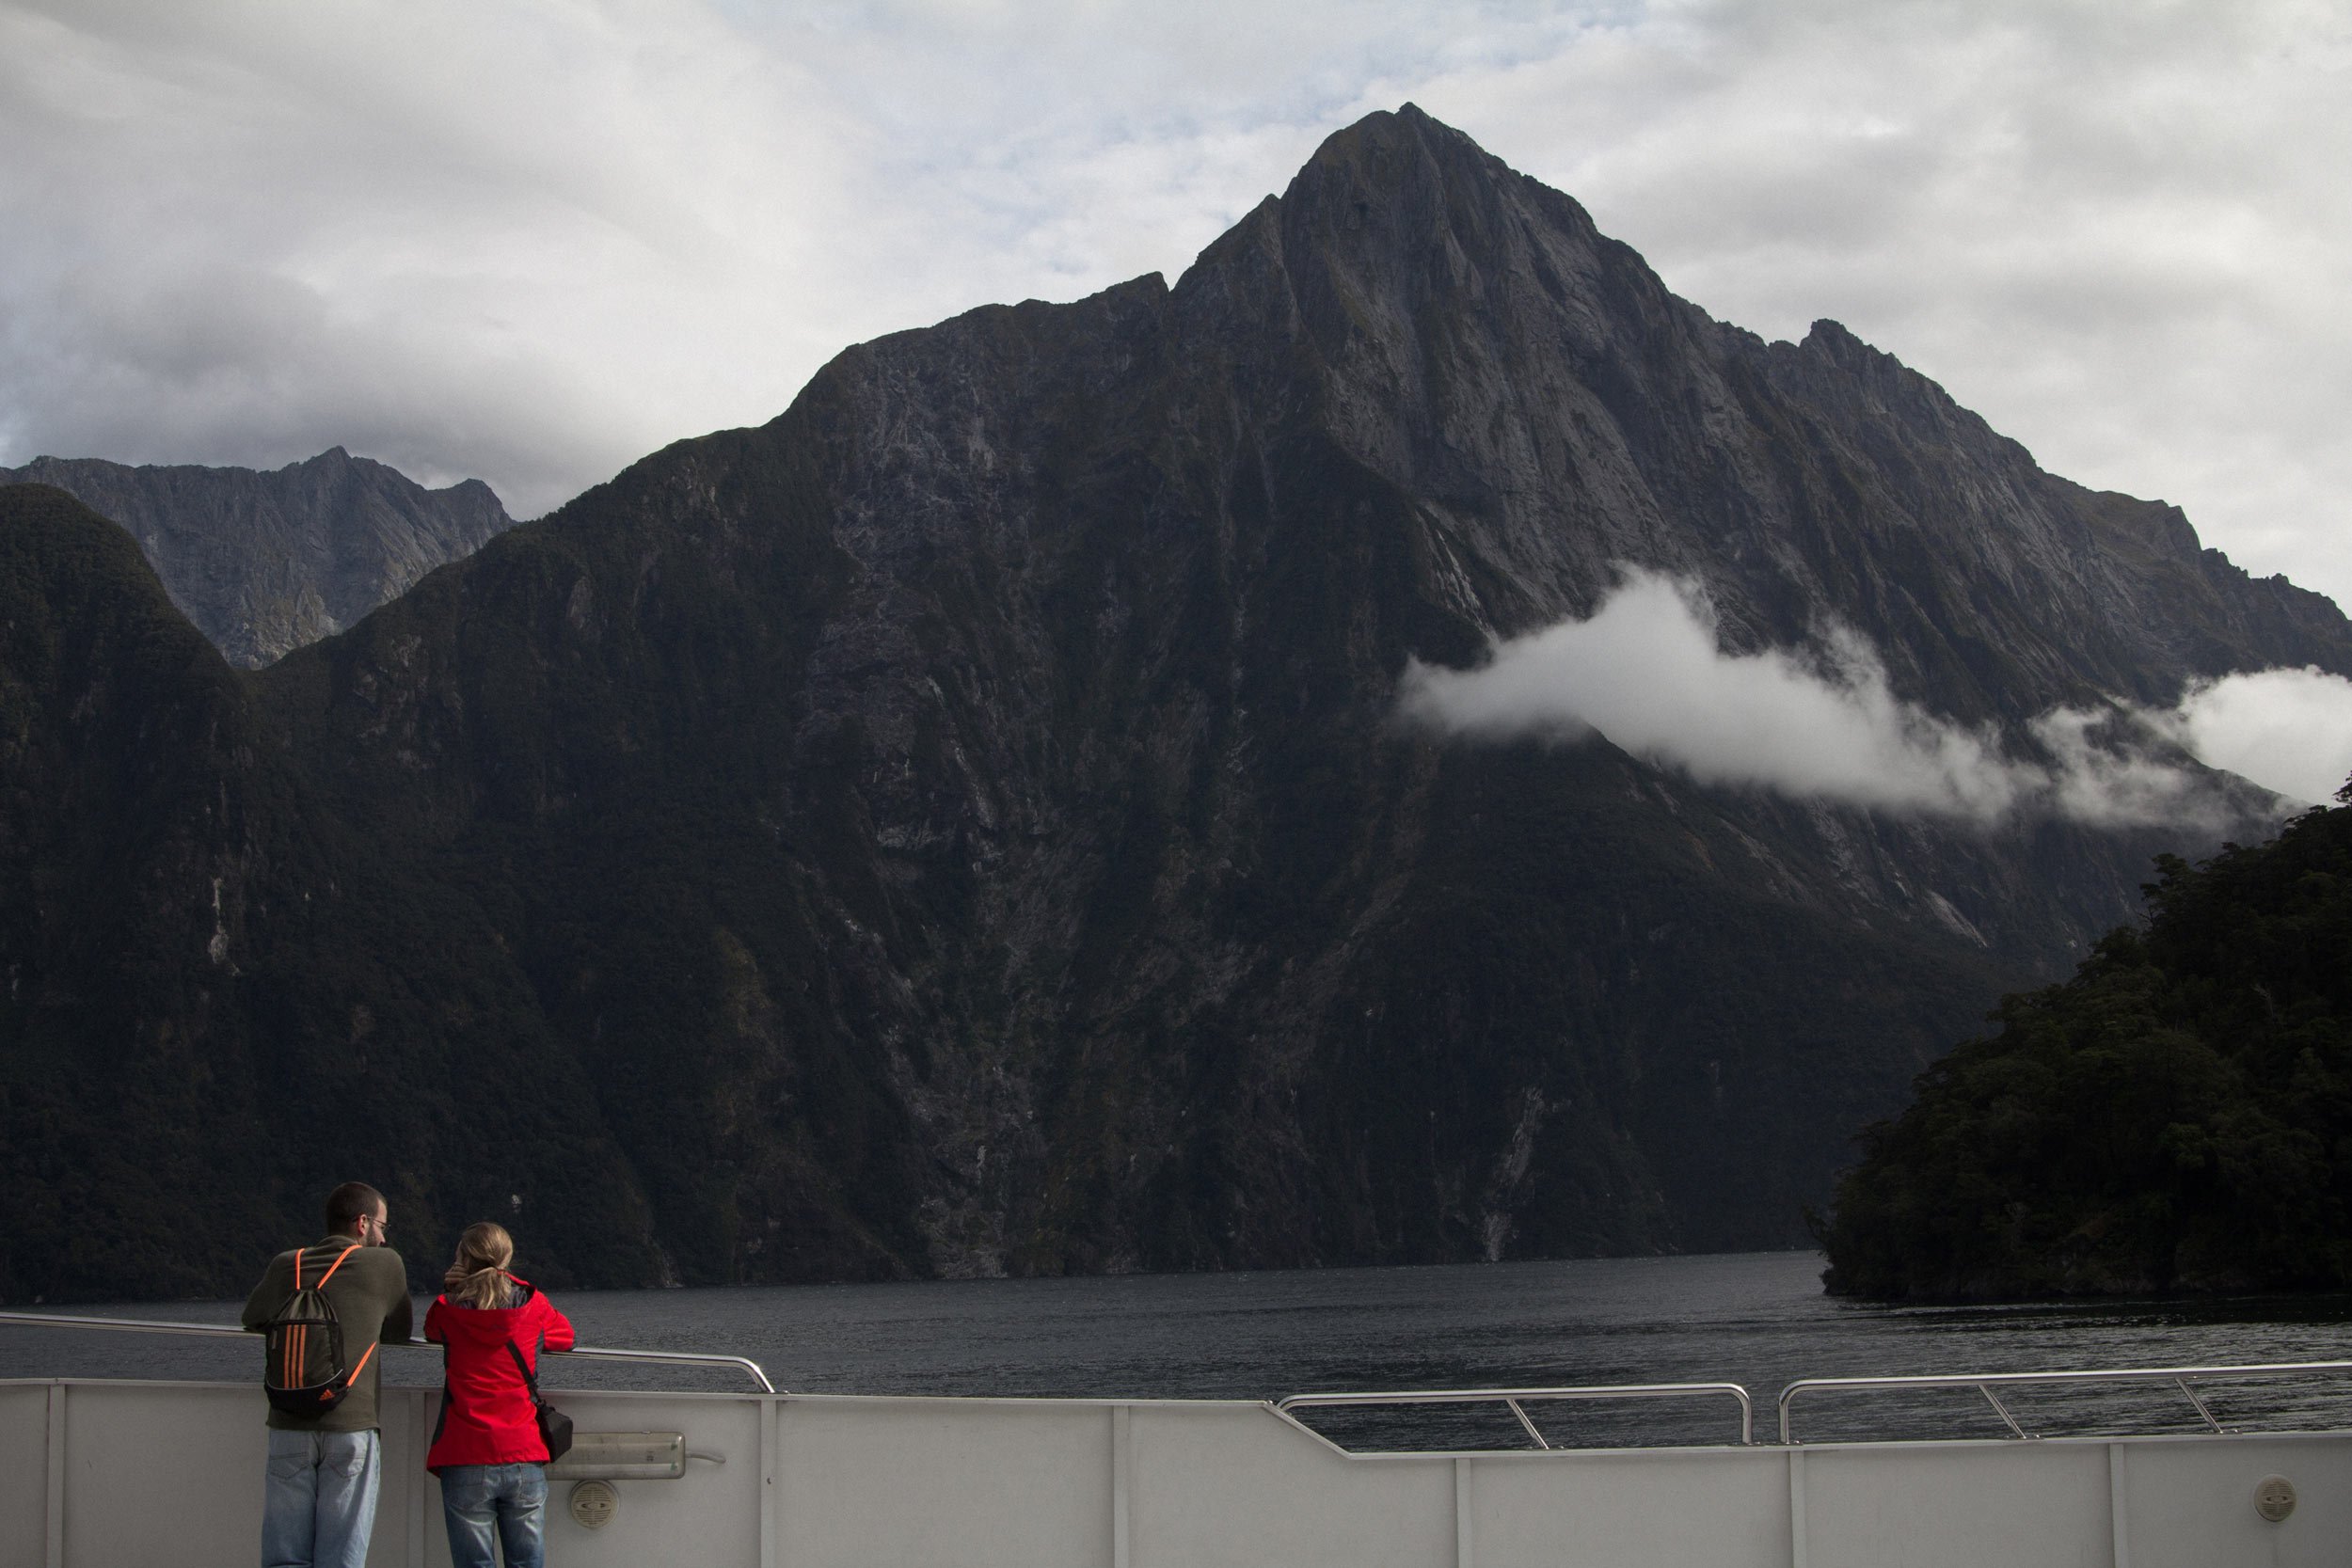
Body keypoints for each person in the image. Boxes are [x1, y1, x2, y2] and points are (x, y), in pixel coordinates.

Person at [241, 1180, 414, 1568]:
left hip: (288, 1422)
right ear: (363, 1223)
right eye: (383, 1226)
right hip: (350, 1424)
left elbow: (252, 1317)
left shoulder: (288, 1264)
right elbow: (399, 1330)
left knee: (285, 1558)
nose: (384, 1239)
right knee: (341, 1559)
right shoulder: (385, 1264)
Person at [423, 1222, 576, 1568]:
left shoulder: (447, 1308)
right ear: (507, 1259)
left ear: (463, 1258)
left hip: (465, 1453)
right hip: (522, 1451)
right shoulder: (533, 1304)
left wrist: (454, 1287)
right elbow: (564, 1337)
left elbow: (432, 1331)